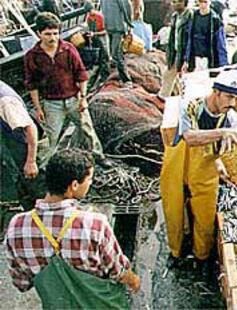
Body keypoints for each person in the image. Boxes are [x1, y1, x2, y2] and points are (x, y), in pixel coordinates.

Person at [5, 149, 140, 309]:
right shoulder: (95, 224)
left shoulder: (17, 226)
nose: (90, 183)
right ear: (74, 185)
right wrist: (134, 281)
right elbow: (118, 272)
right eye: (89, 179)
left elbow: (22, 283)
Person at [160, 68, 237, 274]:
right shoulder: (190, 106)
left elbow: (228, 150)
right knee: (173, 210)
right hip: (178, 163)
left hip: (206, 168)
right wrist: (222, 133)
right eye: (228, 97)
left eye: (235, 98)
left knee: (205, 215)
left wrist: (222, 164)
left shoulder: (232, 119)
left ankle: (202, 257)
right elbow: (189, 137)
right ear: (216, 92)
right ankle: (176, 252)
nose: (232, 103)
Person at [24, 13, 109, 168]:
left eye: (56, 33)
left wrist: (83, 98)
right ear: (39, 34)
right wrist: (38, 108)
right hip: (51, 103)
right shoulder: (32, 56)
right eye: (48, 34)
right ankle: (45, 167)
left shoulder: (68, 49)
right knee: (52, 137)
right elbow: (32, 84)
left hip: (74, 100)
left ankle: (99, 157)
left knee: (87, 130)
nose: (53, 38)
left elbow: (81, 74)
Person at [0, 80, 45, 213]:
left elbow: (30, 128)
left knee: (36, 189)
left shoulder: (5, 102)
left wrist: (31, 161)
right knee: (21, 188)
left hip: (23, 150)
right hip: (8, 152)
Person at [158, 0, 192, 98]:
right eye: (174, 1)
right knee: (169, 75)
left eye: (179, 1)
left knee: (183, 78)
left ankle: (168, 98)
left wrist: (187, 57)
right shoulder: (175, 16)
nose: (176, 4)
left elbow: (190, 37)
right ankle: (166, 98)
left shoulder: (190, 16)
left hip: (184, 51)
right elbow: (172, 37)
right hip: (176, 51)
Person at [183, 0, 228, 72]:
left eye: (205, 2)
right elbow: (189, 40)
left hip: (210, 59)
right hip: (195, 59)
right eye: (201, 2)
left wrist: (224, 65)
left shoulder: (216, 20)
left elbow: (221, 45)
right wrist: (186, 60)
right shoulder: (192, 18)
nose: (203, 5)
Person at [101, 0, 134, 85]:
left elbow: (126, 7)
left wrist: (129, 23)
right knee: (116, 54)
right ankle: (120, 77)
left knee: (115, 54)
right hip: (109, 28)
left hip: (118, 28)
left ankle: (126, 79)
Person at [83, 1, 111, 90]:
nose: (90, 13)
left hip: (102, 38)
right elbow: (89, 28)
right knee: (98, 60)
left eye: (90, 10)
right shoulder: (88, 18)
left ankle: (105, 77)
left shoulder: (100, 17)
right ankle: (95, 81)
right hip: (95, 39)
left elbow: (106, 31)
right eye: (88, 11)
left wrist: (94, 33)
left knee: (105, 57)